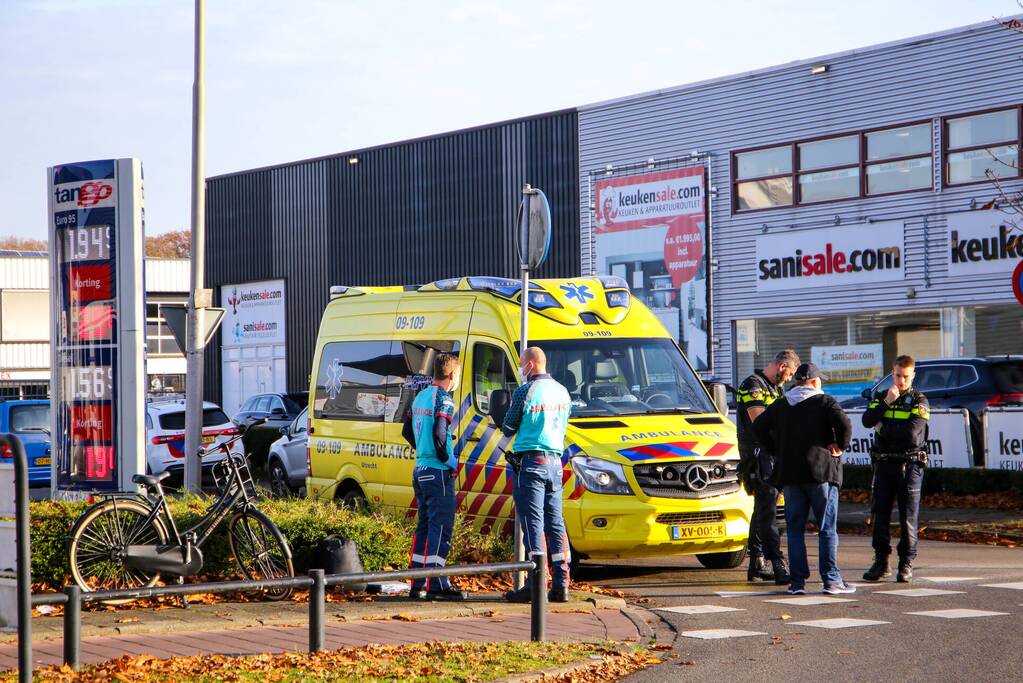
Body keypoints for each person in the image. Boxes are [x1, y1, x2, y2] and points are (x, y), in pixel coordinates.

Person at [753, 362, 854, 595]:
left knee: (795, 529)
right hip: (820, 474)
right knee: (827, 528)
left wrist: (775, 449)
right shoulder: (824, 401)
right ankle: (831, 580)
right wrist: (839, 446)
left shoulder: (782, 404)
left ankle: (797, 583)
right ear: (816, 382)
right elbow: (845, 425)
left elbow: (759, 427)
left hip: (790, 475)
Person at [500, 347, 573, 604]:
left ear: (530, 365)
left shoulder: (525, 391)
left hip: (530, 463)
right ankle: (562, 584)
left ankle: (536, 583)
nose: (521, 369)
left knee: (533, 524)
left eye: (521, 364)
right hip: (555, 463)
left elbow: (508, 426)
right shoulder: (563, 392)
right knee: (556, 523)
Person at [401, 353, 466, 601]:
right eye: (457, 375)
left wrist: (424, 451)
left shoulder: (421, 396)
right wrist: (448, 460)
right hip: (437, 472)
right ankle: (438, 585)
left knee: (425, 527)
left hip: (420, 471)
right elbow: (441, 434)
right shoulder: (444, 400)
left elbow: (407, 430)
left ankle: (417, 584)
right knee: (441, 528)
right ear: (451, 375)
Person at [862, 355, 930, 583]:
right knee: (879, 515)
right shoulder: (883, 397)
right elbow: (866, 420)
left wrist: (882, 427)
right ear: (893, 373)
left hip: (909, 466)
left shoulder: (920, 401)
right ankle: (881, 563)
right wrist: (885, 404)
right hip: (884, 464)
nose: (901, 381)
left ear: (913, 376)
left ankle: (906, 563)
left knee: (908, 517)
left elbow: (911, 435)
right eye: (898, 375)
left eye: (906, 376)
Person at [735, 349, 800, 584]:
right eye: (790, 373)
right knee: (768, 509)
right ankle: (776, 562)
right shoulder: (753, 384)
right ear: (782, 366)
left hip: (771, 453)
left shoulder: (776, 389)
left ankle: (757, 562)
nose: (790, 378)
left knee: (763, 508)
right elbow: (759, 420)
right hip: (758, 453)